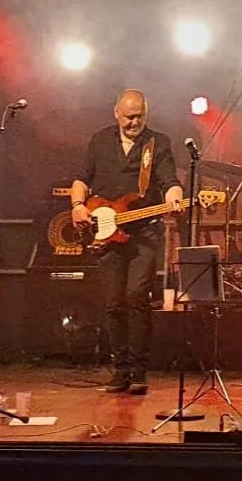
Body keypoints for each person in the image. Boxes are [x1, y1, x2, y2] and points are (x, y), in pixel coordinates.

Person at [70, 89, 185, 394]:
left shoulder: (157, 143)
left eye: (140, 116)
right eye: (129, 116)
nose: (135, 122)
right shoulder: (100, 140)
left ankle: (138, 370)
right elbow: (82, 178)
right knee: (113, 303)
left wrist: (174, 195)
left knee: (136, 296)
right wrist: (78, 205)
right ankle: (119, 369)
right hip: (106, 232)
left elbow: (168, 180)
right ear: (116, 113)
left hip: (144, 232)